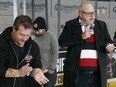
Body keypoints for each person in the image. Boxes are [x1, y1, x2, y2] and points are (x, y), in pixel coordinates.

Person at [58, 2, 115, 87]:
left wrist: (109, 46)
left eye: (93, 12)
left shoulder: (101, 25)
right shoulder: (71, 25)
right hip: (78, 74)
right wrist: (81, 37)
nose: (92, 15)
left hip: (97, 74)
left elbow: (109, 41)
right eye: (89, 13)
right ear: (81, 14)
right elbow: (62, 42)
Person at [0, 15, 49, 87]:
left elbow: (36, 64)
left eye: (27, 35)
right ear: (14, 29)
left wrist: (37, 72)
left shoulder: (32, 46)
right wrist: (18, 73)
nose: (24, 39)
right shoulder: (1, 42)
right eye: (21, 35)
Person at [32, 17, 59, 87]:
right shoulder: (32, 36)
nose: (37, 32)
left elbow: (55, 52)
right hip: (37, 70)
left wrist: (52, 68)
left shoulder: (51, 36)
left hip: (48, 71)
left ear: (44, 28)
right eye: (35, 30)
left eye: (39, 30)